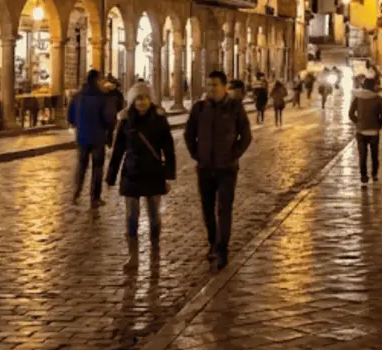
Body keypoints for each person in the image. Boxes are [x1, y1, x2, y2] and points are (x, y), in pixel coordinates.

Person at [185, 70, 253, 270]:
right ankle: (212, 242)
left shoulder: (235, 108)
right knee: (207, 209)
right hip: (205, 167)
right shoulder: (199, 109)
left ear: (224, 87)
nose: (211, 89)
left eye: (215, 85)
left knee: (224, 209)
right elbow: (189, 134)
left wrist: (233, 155)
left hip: (226, 169)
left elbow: (246, 136)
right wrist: (197, 155)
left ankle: (222, 249)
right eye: (208, 85)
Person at [106, 81, 176, 246]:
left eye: (145, 98)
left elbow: (168, 148)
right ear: (132, 101)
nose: (141, 102)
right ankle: (132, 246)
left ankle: (155, 245)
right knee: (131, 215)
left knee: (154, 215)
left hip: (153, 172)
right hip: (132, 172)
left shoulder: (159, 120)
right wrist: (111, 176)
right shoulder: (126, 121)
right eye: (138, 98)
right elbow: (118, 150)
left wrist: (169, 173)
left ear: (150, 99)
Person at [67, 69, 111, 207]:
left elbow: (70, 117)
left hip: (82, 137)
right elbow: (107, 118)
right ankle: (95, 198)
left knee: (81, 166)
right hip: (98, 137)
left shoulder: (77, 96)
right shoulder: (101, 97)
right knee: (97, 168)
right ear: (97, 80)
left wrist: (80, 126)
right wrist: (107, 130)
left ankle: (76, 193)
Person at [349, 75, 382, 184]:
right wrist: (379, 124)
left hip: (361, 131)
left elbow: (351, 113)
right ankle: (374, 174)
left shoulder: (358, 98)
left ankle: (364, 176)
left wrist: (358, 122)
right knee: (374, 155)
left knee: (363, 155)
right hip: (374, 130)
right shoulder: (378, 98)